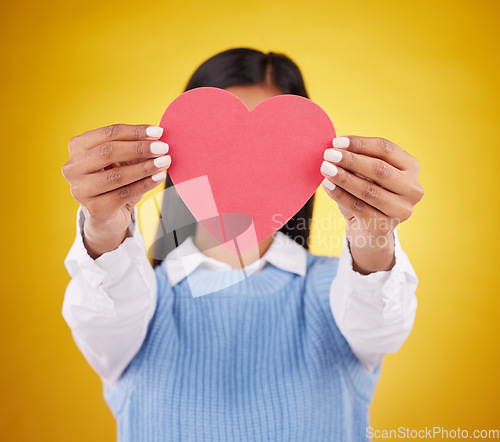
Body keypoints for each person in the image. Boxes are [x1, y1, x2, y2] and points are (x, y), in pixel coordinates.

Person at [61, 48, 423, 441]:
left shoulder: (336, 290)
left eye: (271, 148)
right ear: (174, 155)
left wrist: (375, 236)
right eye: (218, 144)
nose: (243, 167)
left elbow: (380, 324)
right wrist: (103, 228)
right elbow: (105, 311)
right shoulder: (138, 301)